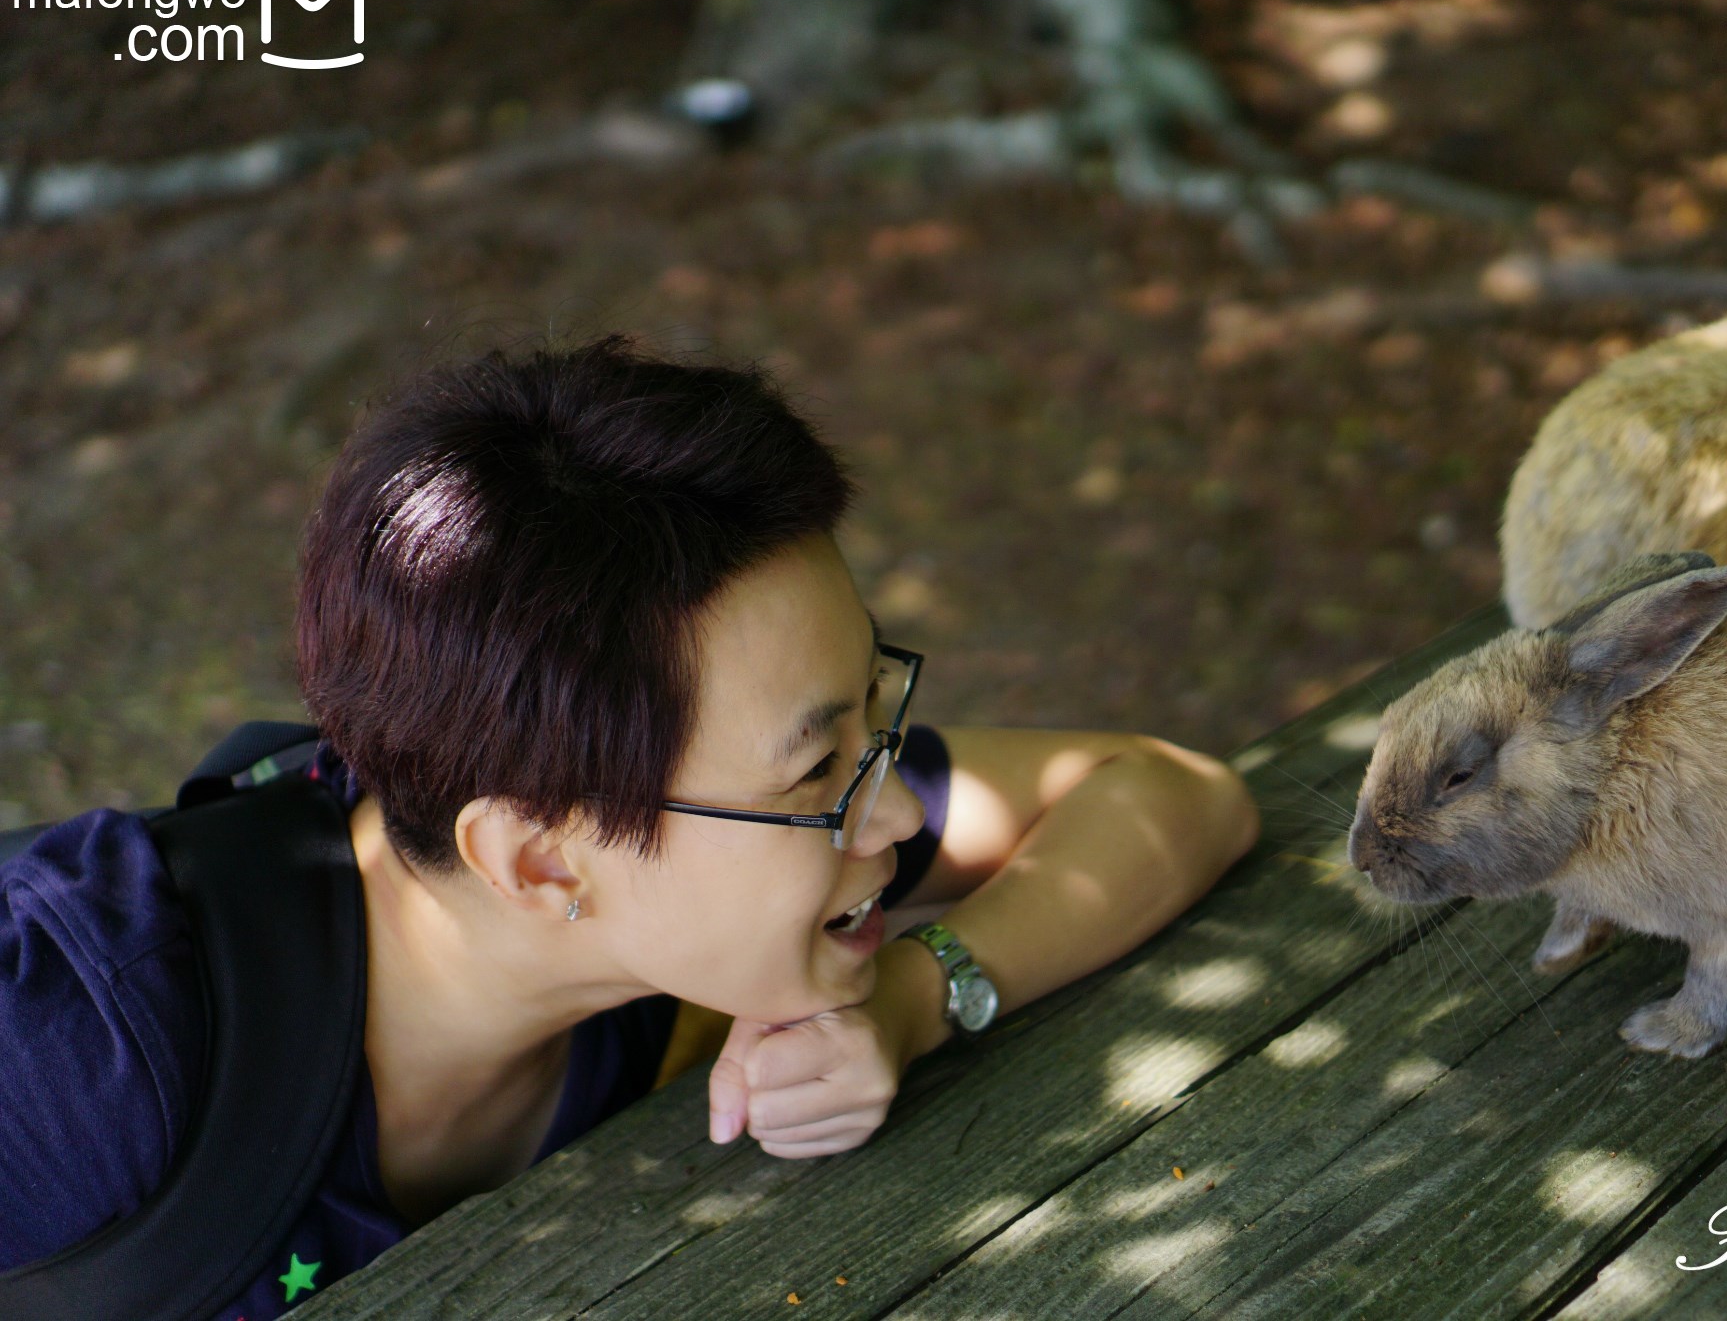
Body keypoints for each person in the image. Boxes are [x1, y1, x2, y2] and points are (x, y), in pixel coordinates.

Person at [0, 337, 1259, 1317]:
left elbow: (1166, 792)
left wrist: (920, 1000)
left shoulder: (665, 913)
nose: (894, 807)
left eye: (870, 718)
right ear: (541, 860)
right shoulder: (73, 1044)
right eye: (815, 765)